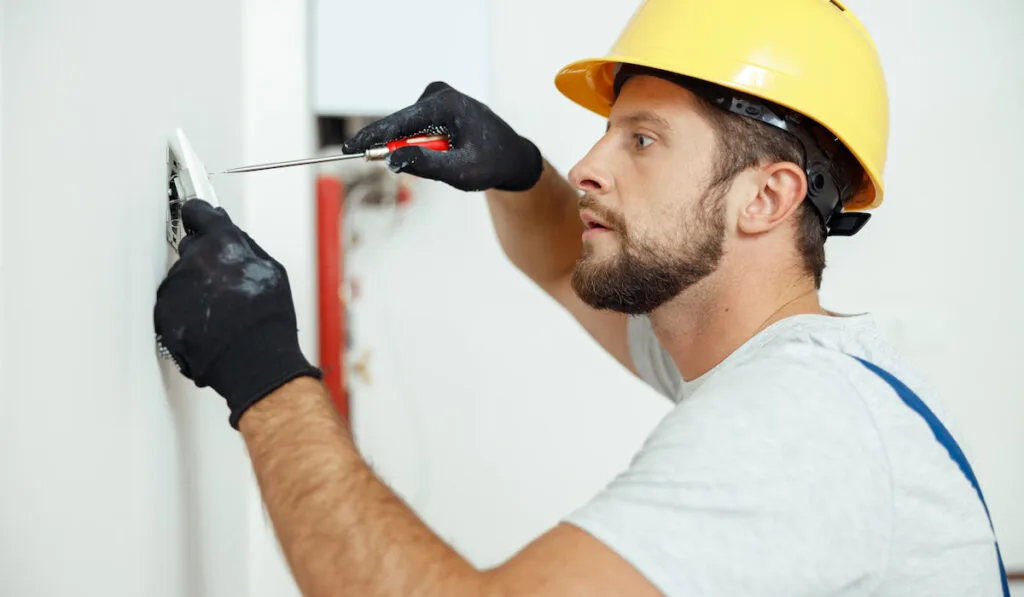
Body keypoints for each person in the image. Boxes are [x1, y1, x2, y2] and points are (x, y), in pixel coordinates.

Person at [153, 1, 1009, 595]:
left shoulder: (801, 425)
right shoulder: (790, 369)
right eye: (607, 130)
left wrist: (261, 369)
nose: (590, 164)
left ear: (767, 198)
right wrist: (517, 172)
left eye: (642, 139)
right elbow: (573, 269)